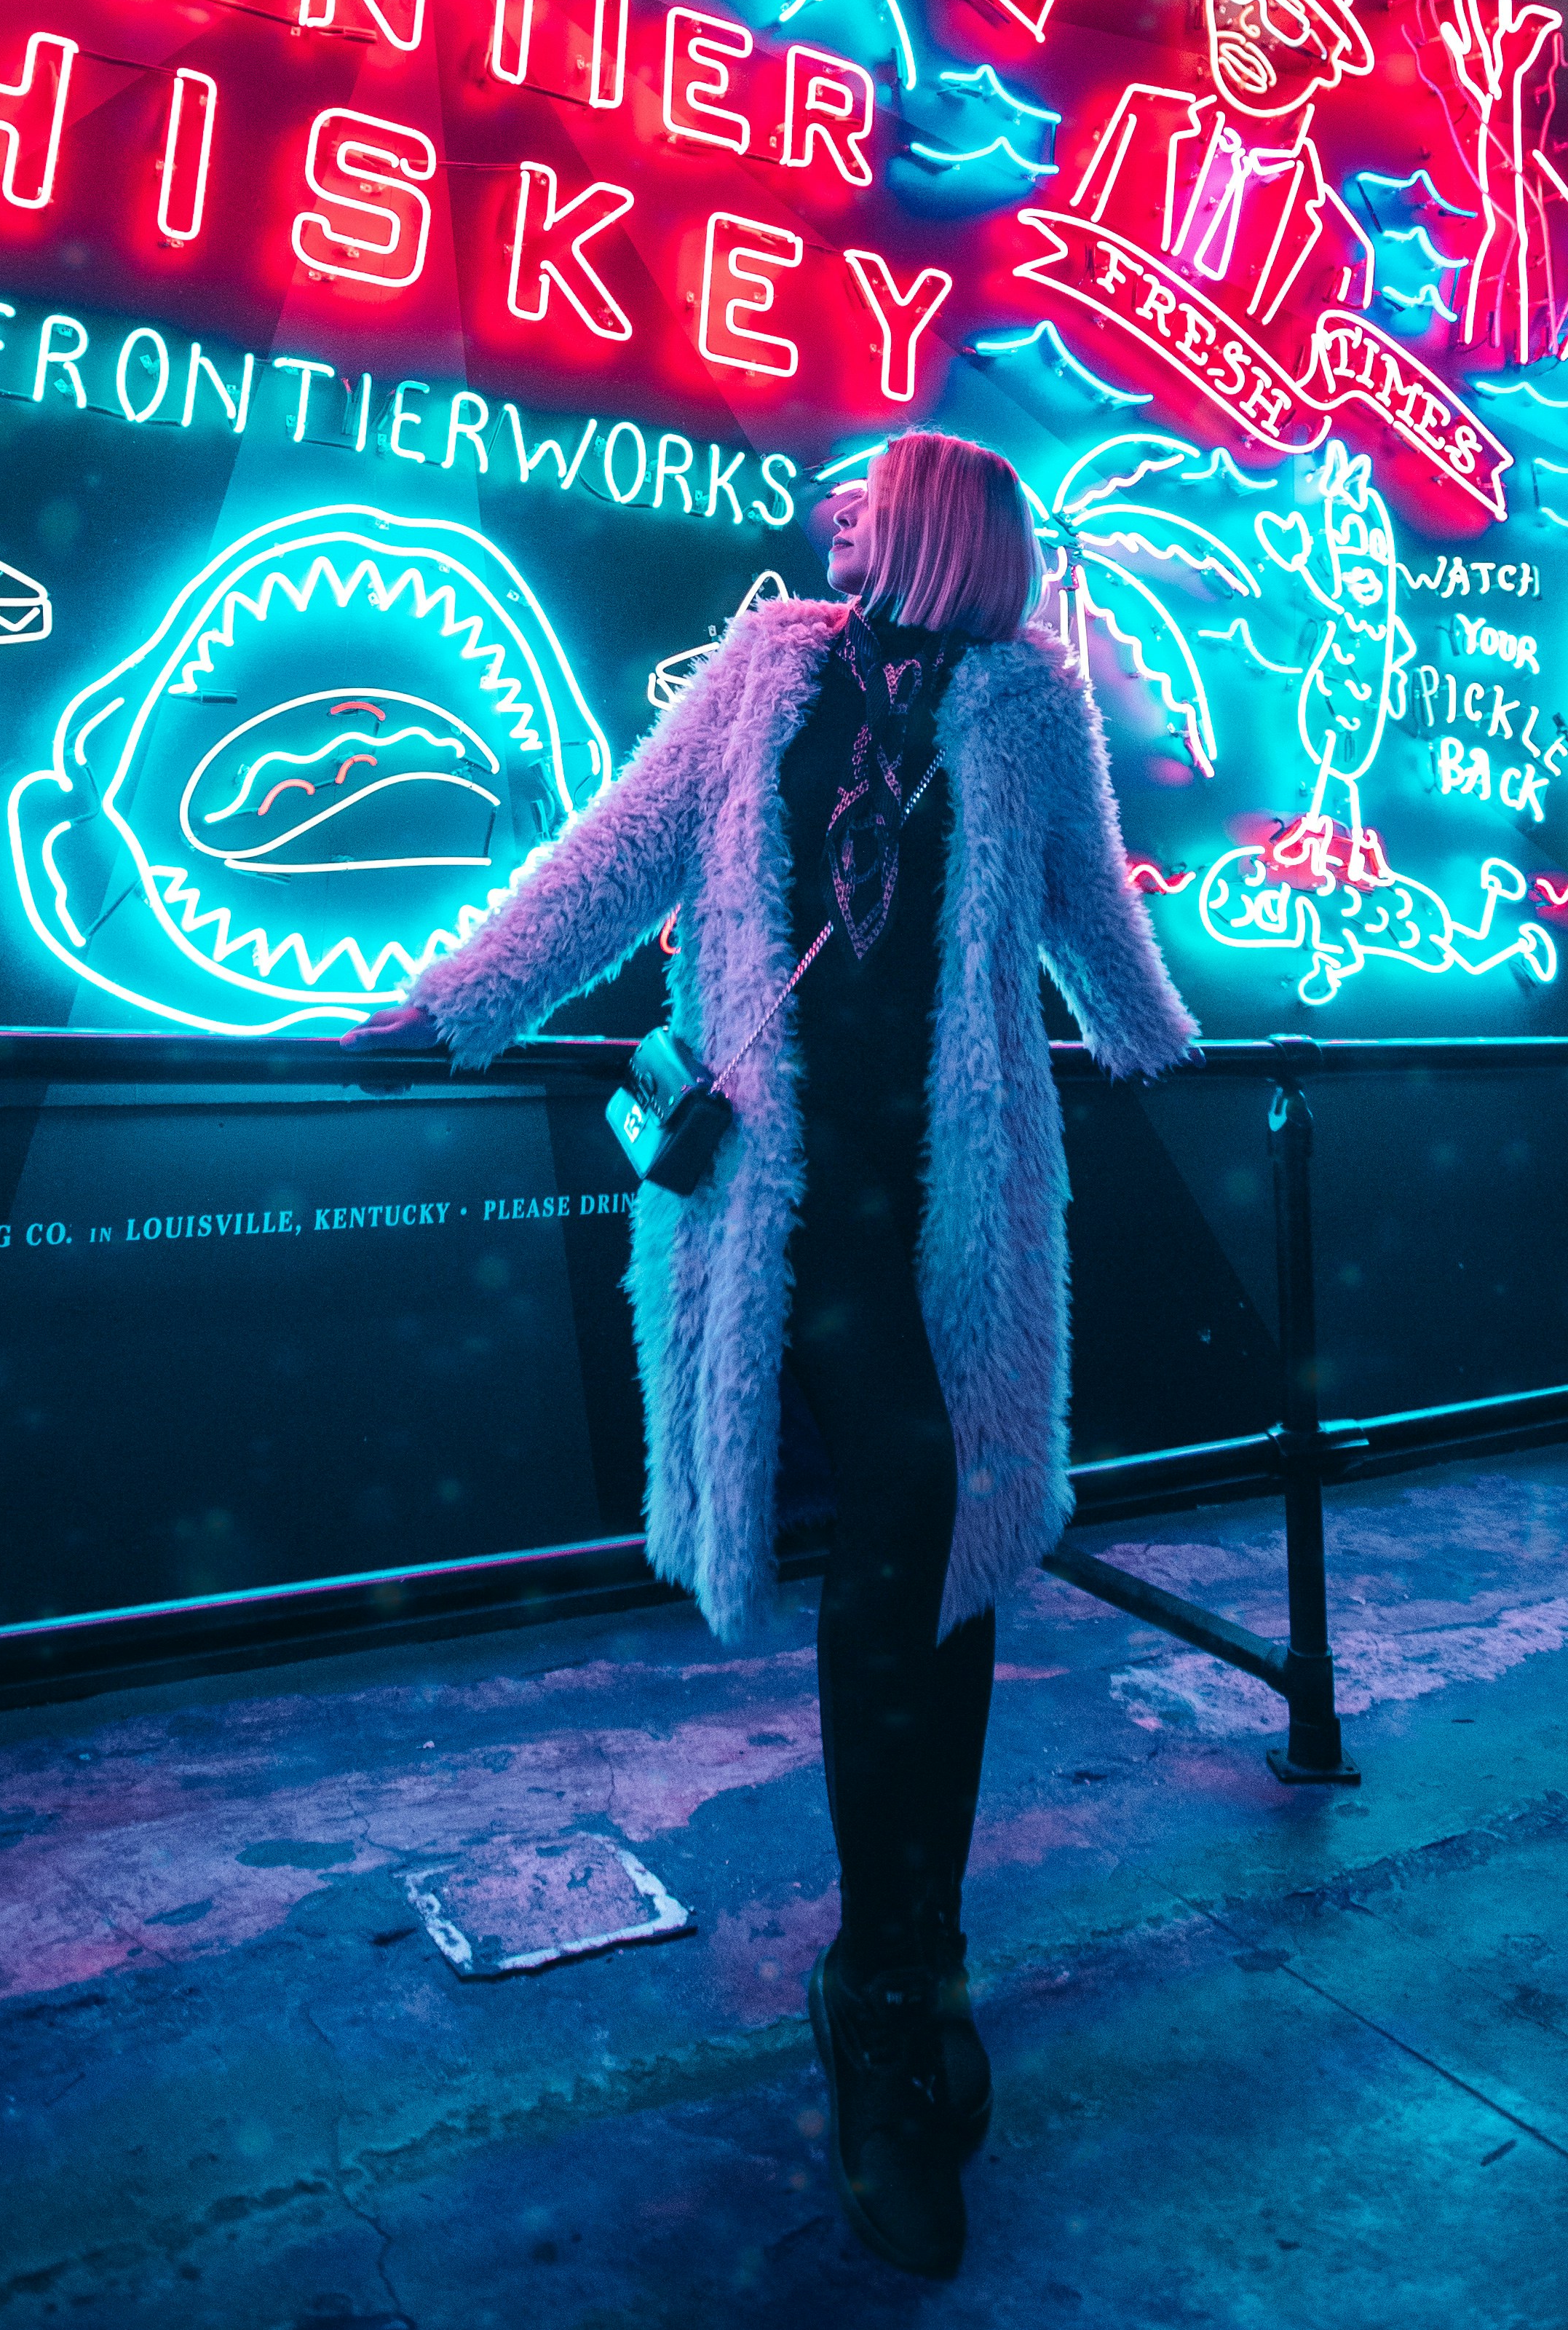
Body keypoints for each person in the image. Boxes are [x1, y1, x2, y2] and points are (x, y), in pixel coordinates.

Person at [350, 430, 1196, 2276]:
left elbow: (1089, 907)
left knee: (955, 1552)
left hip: (956, 1199)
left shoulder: (1032, 705)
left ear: (942, 529)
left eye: (872, 492)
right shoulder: (766, 663)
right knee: (908, 1490)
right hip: (787, 1201)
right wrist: (460, 998)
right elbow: (624, 851)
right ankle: (888, 1984)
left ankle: (912, 1954)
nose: (837, 510)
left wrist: (1163, 1036)